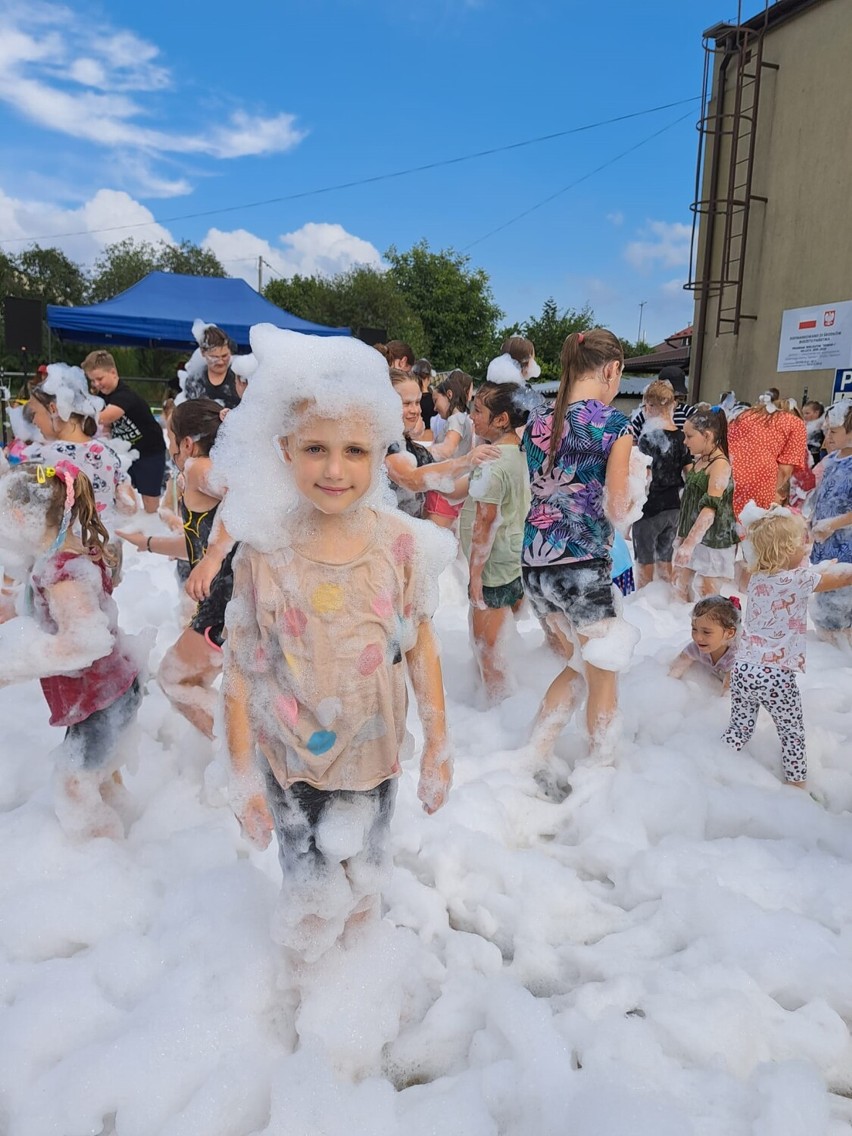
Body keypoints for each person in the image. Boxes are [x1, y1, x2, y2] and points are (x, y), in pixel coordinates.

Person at [218, 330, 452, 964]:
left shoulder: (400, 545)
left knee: (366, 884)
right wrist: (240, 774)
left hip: (374, 753)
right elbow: (240, 665)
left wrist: (437, 742)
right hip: (289, 759)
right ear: (284, 450)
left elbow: (421, 646)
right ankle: (310, 998)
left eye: (354, 450)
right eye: (315, 448)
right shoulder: (263, 549)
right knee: (311, 898)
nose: (334, 469)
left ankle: (357, 993)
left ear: (380, 452)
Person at [0, 462, 141, 838]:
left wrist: (14, 664)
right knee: (101, 773)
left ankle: (108, 865)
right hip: (108, 692)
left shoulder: (63, 575)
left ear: (18, 517)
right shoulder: (64, 554)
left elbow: (86, 643)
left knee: (74, 787)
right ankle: (128, 834)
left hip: (101, 700)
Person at [521, 328, 638, 766]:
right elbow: (618, 506)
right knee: (602, 675)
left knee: (577, 665)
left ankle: (530, 758)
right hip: (582, 565)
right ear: (611, 370)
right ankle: (602, 772)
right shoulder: (614, 425)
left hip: (535, 562)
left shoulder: (537, 422)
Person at [118, 400, 233, 739]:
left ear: (186, 442)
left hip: (224, 605)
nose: (170, 448)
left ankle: (246, 760)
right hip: (236, 600)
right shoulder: (205, 473)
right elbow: (196, 542)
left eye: (170, 438)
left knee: (174, 679)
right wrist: (148, 543)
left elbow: (247, 493)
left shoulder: (198, 467)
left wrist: (212, 558)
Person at [722, 508, 852, 789]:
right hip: (776, 675)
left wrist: (818, 568)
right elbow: (842, 578)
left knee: (740, 728)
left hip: (743, 668)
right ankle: (797, 785)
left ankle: (719, 765)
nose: (806, 547)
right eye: (799, 544)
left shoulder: (757, 579)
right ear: (784, 551)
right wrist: (833, 570)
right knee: (791, 732)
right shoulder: (799, 581)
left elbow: (802, 573)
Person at [459, 380, 531, 701]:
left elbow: (484, 523)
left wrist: (475, 579)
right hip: (512, 558)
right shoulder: (521, 453)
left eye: (478, 411)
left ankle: (501, 720)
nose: (471, 417)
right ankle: (494, 718)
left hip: (491, 568)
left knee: (489, 656)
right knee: (496, 647)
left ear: (501, 419)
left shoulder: (492, 462)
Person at [26, 364, 137, 529]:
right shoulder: (108, 453)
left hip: (66, 549)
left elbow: (34, 513)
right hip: (105, 545)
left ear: (54, 409)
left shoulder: (45, 457)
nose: (33, 421)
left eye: (34, 413)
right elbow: (130, 507)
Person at [384, 370, 497, 519]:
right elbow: (411, 479)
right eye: (406, 403)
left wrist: (483, 474)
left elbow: (450, 490)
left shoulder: (413, 450)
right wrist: (466, 461)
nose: (415, 410)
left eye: (417, 402)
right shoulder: (383, 446)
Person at [82, 350, 167, 514]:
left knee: (149, 497)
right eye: (93, 380)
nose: (97, 384)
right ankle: (128, 525)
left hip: (150, 452)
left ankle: (151, 527)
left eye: (99, 379)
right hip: (127, 453)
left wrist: (76, 413)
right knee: (121, 493)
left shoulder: (125, 394)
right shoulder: (102, 396)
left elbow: (106, 417)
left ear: (113, 373)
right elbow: (106, 428)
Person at [673, 406, 738, 599]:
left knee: (707, 596)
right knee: (679, 589)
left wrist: (689, 544)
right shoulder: (702, 460)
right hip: (695, 537)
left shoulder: (720, 465)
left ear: (707, 436)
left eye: (689, 436)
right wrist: (683, 537)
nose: (685, 441)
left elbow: (710, 511)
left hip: (713, 541)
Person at [632, 379, 691, 588]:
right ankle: (669, 606)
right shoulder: (683, 437)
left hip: (649, 510)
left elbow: (643, 479)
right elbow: (689, 474)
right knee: (666, 563)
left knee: (644, 565)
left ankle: (644, 607)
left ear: (650, 406)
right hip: (674, 507)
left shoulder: (647, 438)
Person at [808, 400, 852, 643]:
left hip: (847, 550)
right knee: (825, 608)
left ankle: (839, 657)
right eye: (826, 431)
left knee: (840, 612)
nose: (828, 437)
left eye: (834, 431)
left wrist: (833, 523)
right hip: (826, 546)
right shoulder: (834, 459)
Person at [728, 389, 808, 518]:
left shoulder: (744, 415)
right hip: (760, 484)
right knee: (752, 531)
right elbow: (784, 470)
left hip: (725, 476)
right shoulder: (796, 423)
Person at [425, 372, 475, 527]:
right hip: (450, 488)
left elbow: (447, 449)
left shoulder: (456, 419)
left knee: (433, 542)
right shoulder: (463, 419)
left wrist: (419, 451)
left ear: (449, 394)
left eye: (436, 400)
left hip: (443, 491)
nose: (434, 407)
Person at [669, 594, 740, 692]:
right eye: (694, 629)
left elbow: (727, 697)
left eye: (706, 632)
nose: (698, 637)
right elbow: (674, 670)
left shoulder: (736, 658)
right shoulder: (696, 648)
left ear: (729, 633)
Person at [182, 325, 243, 409]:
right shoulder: (194, 381)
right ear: (203, 353)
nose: (221, 362)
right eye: (214, 357)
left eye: (224, 356)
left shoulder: (241, 377)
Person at [630, 365, 695, 438]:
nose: (672, 402)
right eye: (666, 397)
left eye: (676, 397)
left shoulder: (690, 414)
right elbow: (632, 442)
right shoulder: (644, 415)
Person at [411, 358, 436, 434]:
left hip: (413, 436)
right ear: (429, 378)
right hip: (431, 438)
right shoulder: (435, 399)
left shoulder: (410, 399)